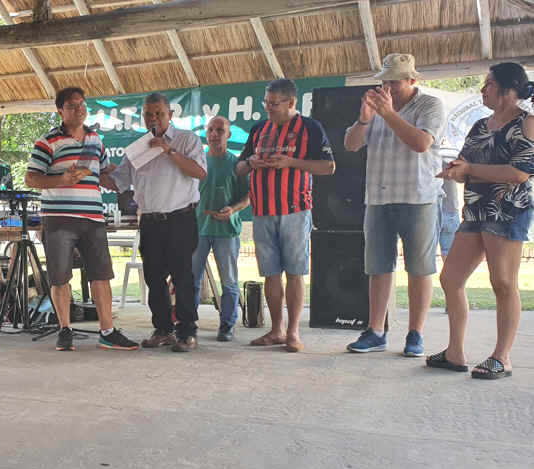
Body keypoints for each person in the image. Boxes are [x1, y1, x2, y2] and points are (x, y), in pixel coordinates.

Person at [429, 62, 534, 379]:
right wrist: (454, 172)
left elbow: (519, 172)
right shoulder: (479, 125)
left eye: (488, 84)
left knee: (503, 283)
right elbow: (465, 164)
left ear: (507, 90)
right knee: (451, 279)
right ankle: (455, 352)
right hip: (475, 210)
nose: (482, 90)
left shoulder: (527, 123)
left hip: (507, 211)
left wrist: (471, 170)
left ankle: (502, 357)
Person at [343, 53, 445, 356]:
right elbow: (350, 144)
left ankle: (415, 334)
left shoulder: (430, 105)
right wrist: (365, 118)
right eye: (383, 81)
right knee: (378, 267)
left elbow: (421, 143)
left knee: (418, 268)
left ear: (412, 80)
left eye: (395, 82)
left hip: (419, 197)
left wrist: (387, 114)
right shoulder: (376, 107)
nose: (387, 88)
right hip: (378, 197)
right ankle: (376, 331)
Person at [26, 86, 139, 351]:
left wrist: (128, 179)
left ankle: (108, 331)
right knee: (60, 277)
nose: (79, 109)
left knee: (101, 275)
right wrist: (61, 179)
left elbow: (102, 173)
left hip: (93, 218)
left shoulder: (95, 140)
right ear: (60, 111)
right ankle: (65, 329)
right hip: (58, 218)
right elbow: (31, 178)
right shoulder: (47, 141)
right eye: (72, 105)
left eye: (82, 105)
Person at [235, 78, 335, 353]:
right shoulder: (258, 129)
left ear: (291, 103)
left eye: (273, 104)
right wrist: (250, 162)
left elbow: (329, 166)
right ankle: (275, 330)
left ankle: (293, 332)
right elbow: (239, 168)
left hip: (295, 210)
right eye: (265, 103)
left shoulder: (310, 127)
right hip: (262, 210)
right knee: (270, 274)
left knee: (294, 272)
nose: (268, 108)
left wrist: (291, 162)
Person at [102, 93, 207, 352]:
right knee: (153, 277)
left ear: (170, 114)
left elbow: (200, 172)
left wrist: (168, 150)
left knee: (182, 276)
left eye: (159, 113)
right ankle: (162, 329)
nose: (153, 118)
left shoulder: (186, 139)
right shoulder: (139, 147)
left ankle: (187, 331)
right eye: (148, 114)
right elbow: (119, 182)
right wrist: (93, 171)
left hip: (180, 218)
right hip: (150, 222)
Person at [191, 115, 250, 342]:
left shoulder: (237, 164)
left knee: (229, 281)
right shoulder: (198, 163)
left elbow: (248, 197)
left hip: (227, 232)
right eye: (211, 130)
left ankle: (227, 325)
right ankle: (189, 323)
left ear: (229, 134)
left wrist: (232, 210)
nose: (214, 134)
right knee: (191, 280)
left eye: (220, 130)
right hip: (199, 230)